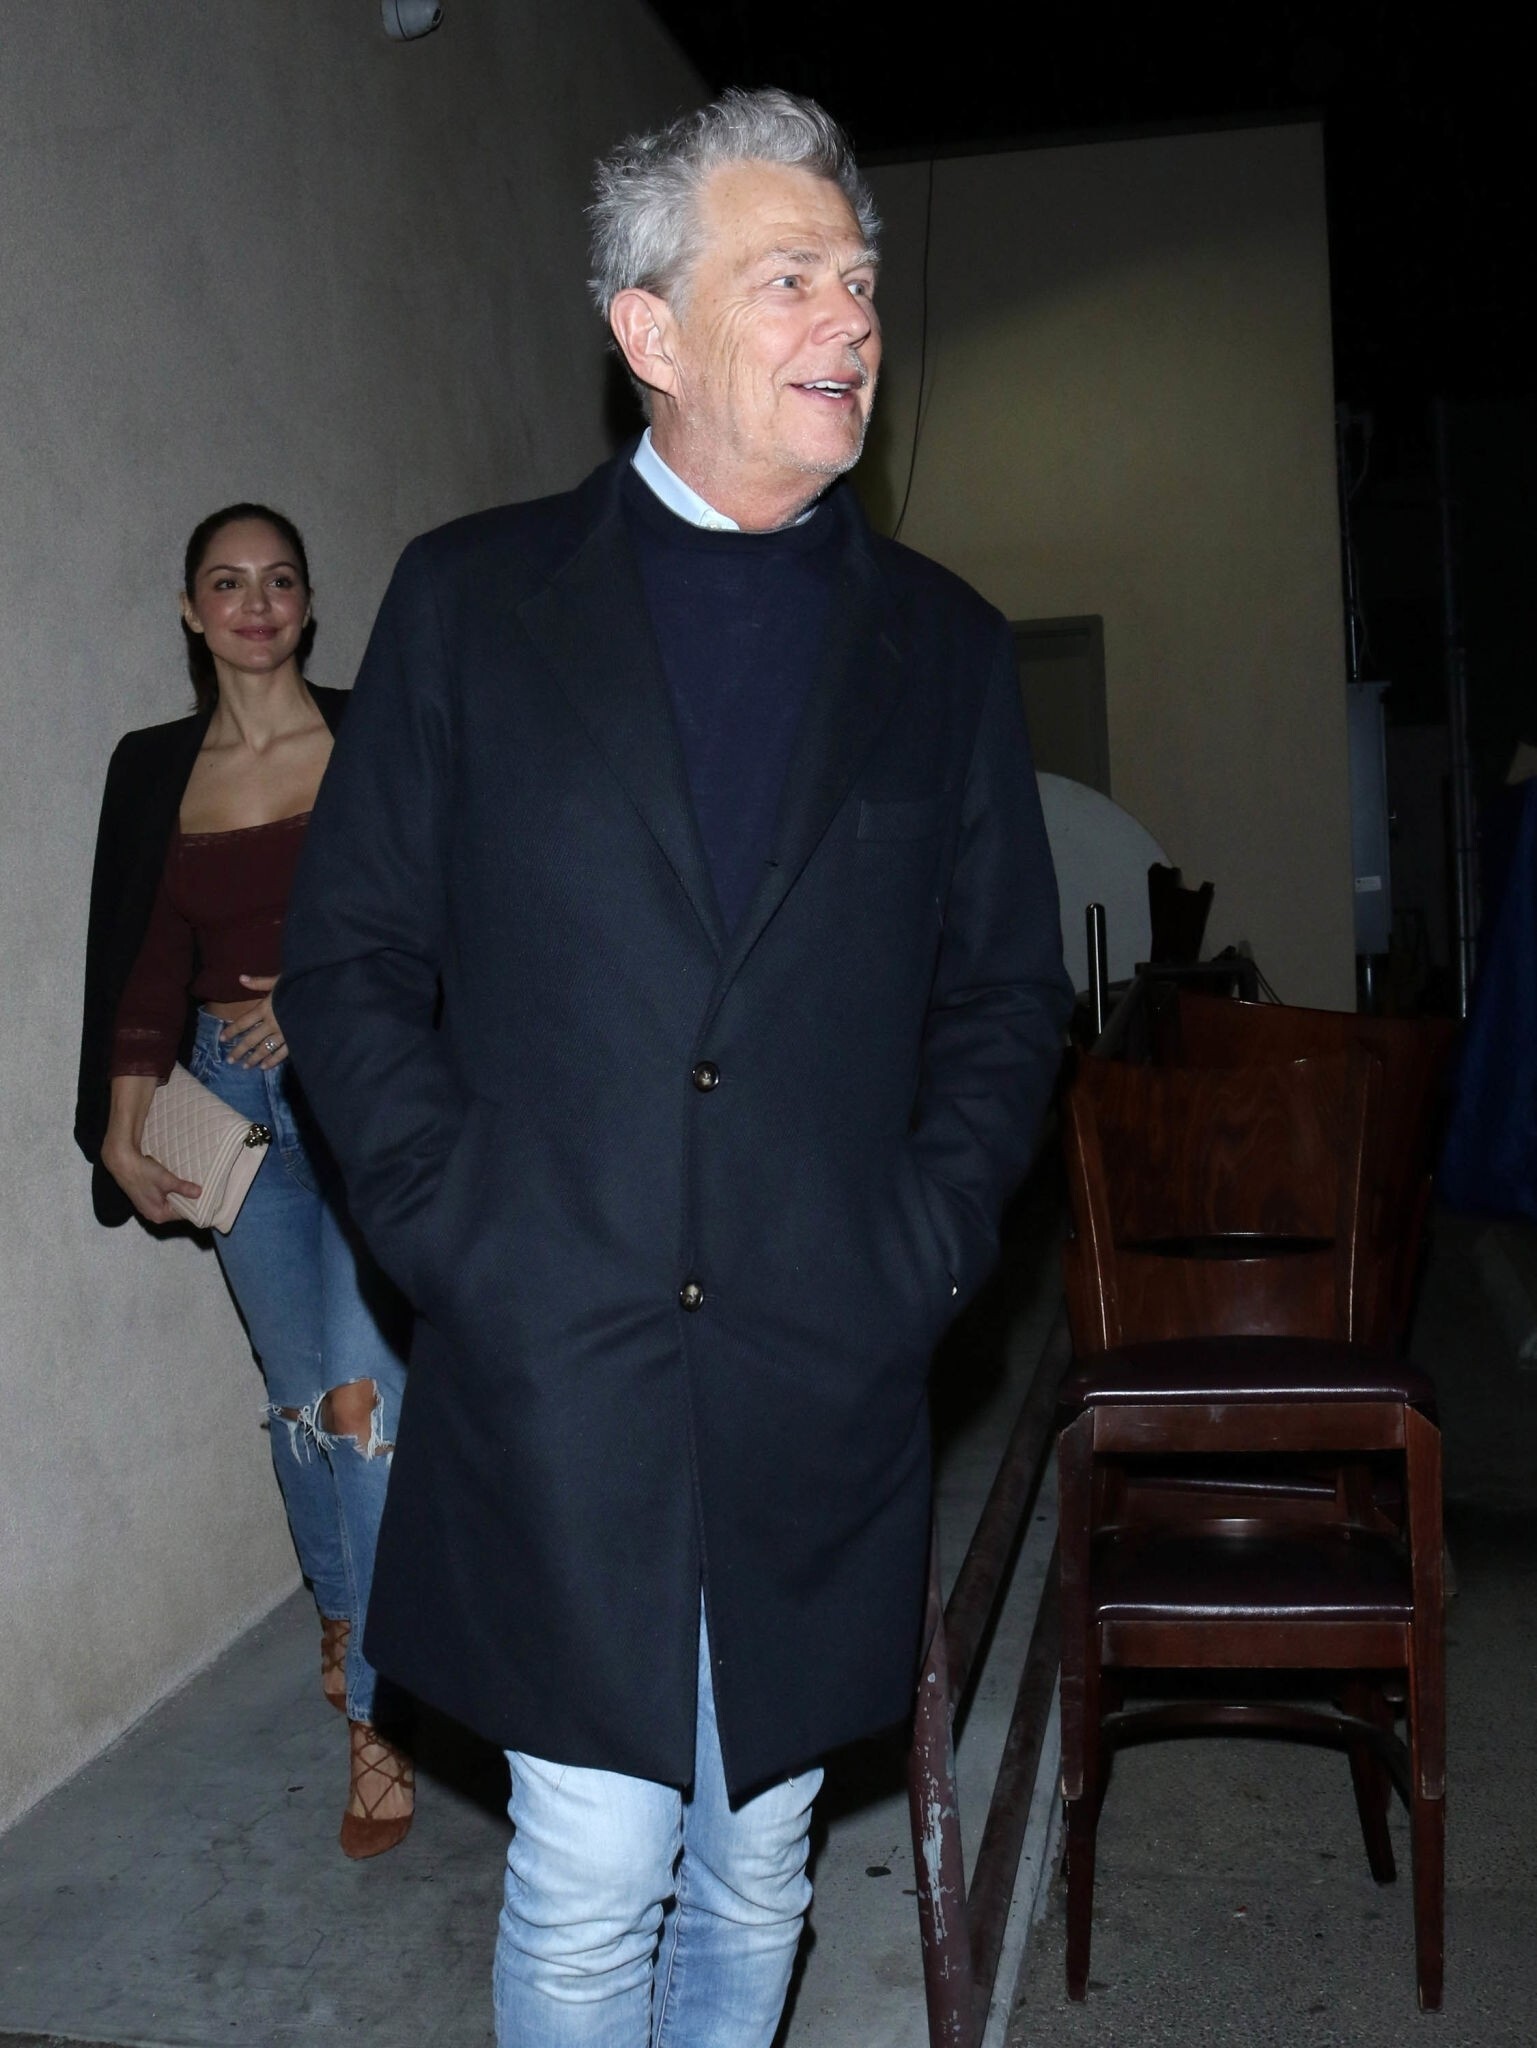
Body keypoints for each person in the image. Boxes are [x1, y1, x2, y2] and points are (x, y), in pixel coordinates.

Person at [280, 87, 1071, 2044]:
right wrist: (458, 1230)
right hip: (558, 1346)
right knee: (592, 1865)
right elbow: (351, 959)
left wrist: (920, 1240)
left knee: (760, 1856)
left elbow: (1002, 995)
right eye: (789, 276)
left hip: (821, 1347)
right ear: (647, 327)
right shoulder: (471, 604)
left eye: (859, 279)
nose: (851, 316)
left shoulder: (945, 650)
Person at [74, 505, 414, 1859]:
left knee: (363, 1404)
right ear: (191, 609)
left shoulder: (372, 737)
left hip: (365, 1096)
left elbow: (437, 904)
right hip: (228, 1107)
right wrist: (123, 1122)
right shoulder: (155, 768)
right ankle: (340, 1619)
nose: (255, 602)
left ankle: (379, 1709)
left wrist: (323, 994)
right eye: (228, 582)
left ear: (309, 604)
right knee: (296, 1400)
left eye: (278, 580)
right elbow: (145, 950)